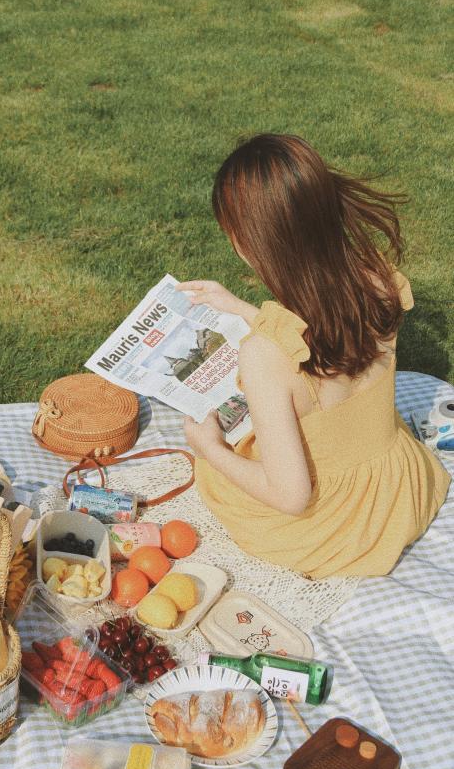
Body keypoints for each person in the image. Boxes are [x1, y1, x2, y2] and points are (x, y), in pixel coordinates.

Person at [179, 133, 450, 579]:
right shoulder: (377, 280)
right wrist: (240, 309)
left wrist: (210, 448)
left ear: (247, 243)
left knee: (219, 474)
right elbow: (322, 348)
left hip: (335, 524)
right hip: (398, 483)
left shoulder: (264, 357)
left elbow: (292, 497)